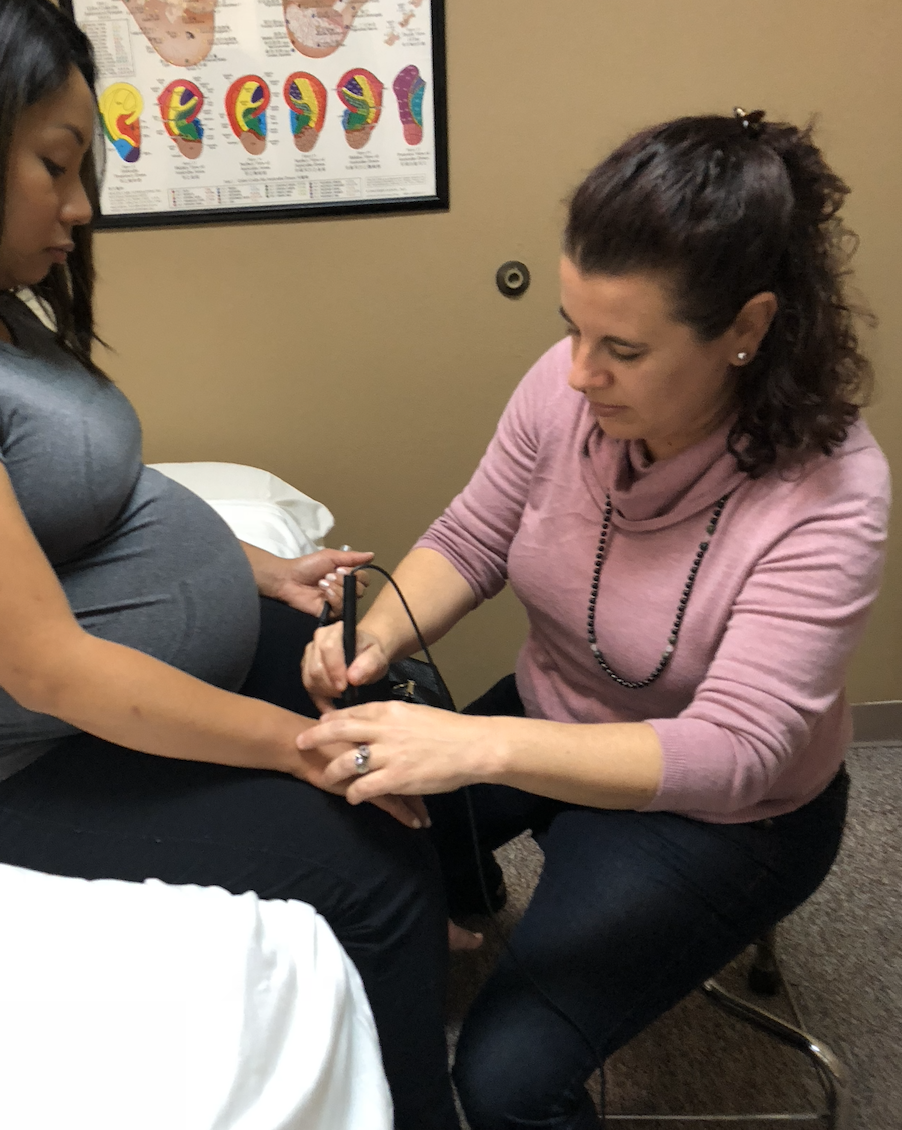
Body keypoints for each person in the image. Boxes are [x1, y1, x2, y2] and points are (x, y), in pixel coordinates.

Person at [0, 2, 459, 1126]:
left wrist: (255, 568)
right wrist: (295, 750)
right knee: (367, 861)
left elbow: (95, 492)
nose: (82, 206)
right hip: (4, 765)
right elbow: (50, 670)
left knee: (398, 698)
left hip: (100, 699)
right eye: (56, 165)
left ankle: (448, 946)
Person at [300, 109, 890, 1129]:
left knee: (506, 1086)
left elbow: (735, 751)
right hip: (557, 712)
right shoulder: (568, 388)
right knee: (337, 816)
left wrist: (476, 748)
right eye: (572, 329)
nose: (578, 373)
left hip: (728, 817)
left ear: (747, 330)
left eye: (622, 348)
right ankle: (465, 896)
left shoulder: (832, 494)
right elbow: (473, 536)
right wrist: (377, 635)